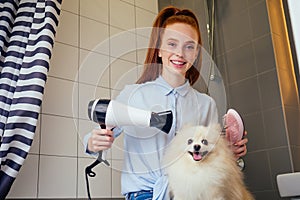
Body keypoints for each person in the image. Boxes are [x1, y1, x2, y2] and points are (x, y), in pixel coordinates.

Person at [84, 6, 248, 200]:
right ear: (159, 50)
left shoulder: (206, 104)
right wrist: (93, 142)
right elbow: (98, 135)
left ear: (196, 53)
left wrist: (229, 154)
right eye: (171, 44)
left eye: (189, 46)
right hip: (144, 195)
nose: (180, 53)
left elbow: (208, 157)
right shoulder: (134, 95)